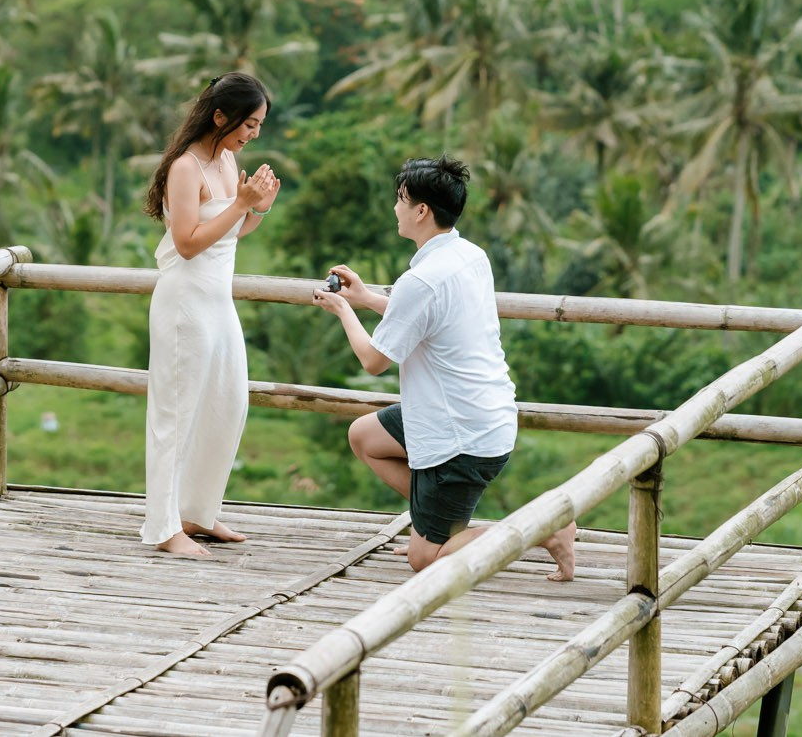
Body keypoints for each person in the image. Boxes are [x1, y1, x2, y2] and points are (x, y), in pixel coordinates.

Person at [312, 156, 575, 580]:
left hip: (460, 436)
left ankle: (544, 528)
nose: (395, 208)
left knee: (427, 561)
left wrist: (343, 309)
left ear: (421, 211)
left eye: (401, 199)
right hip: (484, 415)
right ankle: (434, 527)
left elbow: (374, 360)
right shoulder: (469, 256)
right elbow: (425, 318)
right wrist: (365, 298)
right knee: (364, 435)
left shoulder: (422, 280)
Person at [139, 72, 281, 556]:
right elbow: (188, 243)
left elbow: (230, 235)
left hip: (218, 304)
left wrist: (256, 210)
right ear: (220, 116)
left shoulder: (228, 160)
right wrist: (241, 202)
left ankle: (197, 513)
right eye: (249, 123)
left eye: (259, 126)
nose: (253, 134)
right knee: (175, 415)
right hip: (185, 304)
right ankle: (164, 528)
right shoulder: (186, 168)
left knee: (226, 404)